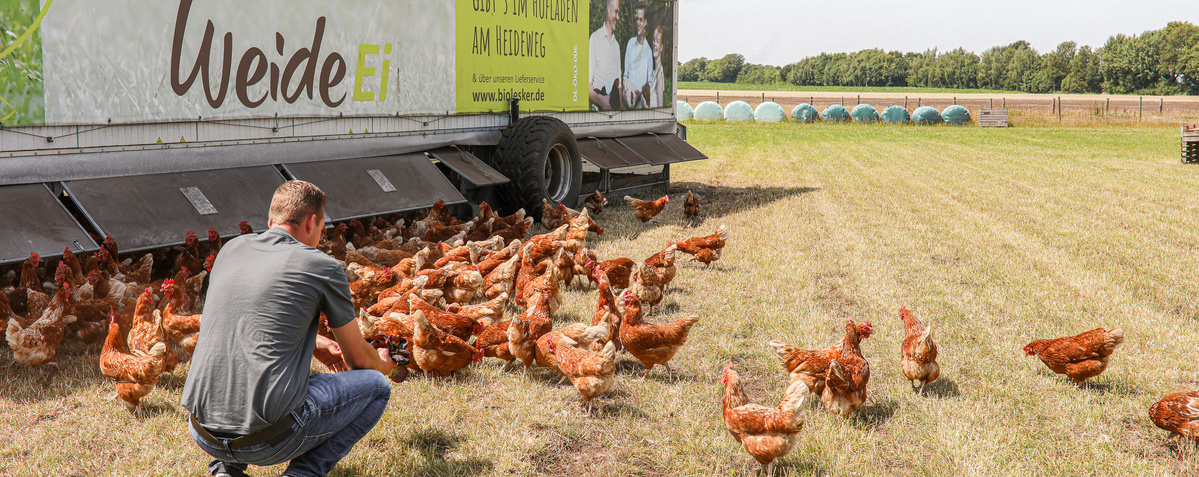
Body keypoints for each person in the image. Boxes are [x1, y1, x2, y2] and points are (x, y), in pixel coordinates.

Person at [182, 180, 403, 477]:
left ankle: (225, 470)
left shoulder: (230, 250)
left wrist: (316, 344)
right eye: (322, 228)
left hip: (203, 431)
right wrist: (383, 364)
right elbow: (358, 361)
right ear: (312, 222)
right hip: (269, 440)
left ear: (271, 220)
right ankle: (303, 474)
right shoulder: (322, 266)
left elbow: (247, 321)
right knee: (377, 387)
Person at [589, 0, 622, 111]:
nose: (618, 17)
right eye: (616, 12)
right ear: (608, 9)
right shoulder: (595, 39)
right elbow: (587, 87)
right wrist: (602, 102)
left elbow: (619, 84)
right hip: (598, 117)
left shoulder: (616, 46)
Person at [623, 3, 654, 110]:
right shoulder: (630, 44)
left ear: (645, 22)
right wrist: (626, 93)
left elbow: (650, 82)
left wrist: (640, 93)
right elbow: (625, 74)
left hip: (641, 108)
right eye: (637, 19)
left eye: (641, 20)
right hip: (628, 107)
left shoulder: (649, 51)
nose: (638, 23)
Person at [648, 23, 666, 109]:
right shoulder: (653, 71)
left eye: (658, 41)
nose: (654, 44)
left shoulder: (659, 72)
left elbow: (660, 107)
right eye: (654, 40)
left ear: (661, 47)